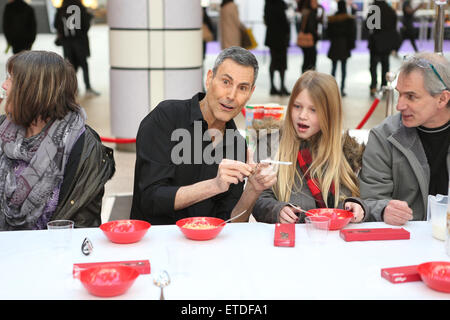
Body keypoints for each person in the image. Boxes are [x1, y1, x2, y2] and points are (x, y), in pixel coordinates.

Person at [130, 47, 277, 225]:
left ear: (250, 93)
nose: (231, 95)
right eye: (226, 82)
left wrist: (253, 189)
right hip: (157, 241)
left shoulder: (236, 144)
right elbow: (150, 199)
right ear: (209, 79)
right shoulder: (167, 117)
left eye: (242, 88)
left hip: (207, 247)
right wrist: (214, 186)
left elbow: (230, 223)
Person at [0, 51, 115, 231]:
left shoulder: (84, 146)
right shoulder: (2, 130)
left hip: (54, 253)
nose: (4, 85)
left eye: (12, 80)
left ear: (34, 92)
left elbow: (84, 226)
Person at [253, 70, 368, 224]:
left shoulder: (345, 152)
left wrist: (358, 206)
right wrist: (277, 210)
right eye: (297, 106)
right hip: (289, 240)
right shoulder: (270, 144)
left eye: (313, 110)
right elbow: (258, 197)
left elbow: (357, 198)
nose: (302, 115)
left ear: (330, 114)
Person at [359, 52, 450, 225]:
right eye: (398, 94)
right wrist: (384, 209)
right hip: (404, 242)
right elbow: (369, 200)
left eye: (411, 96)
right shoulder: (384, 137)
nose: (399, 106)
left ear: (442, 99)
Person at [54, 0, 99, 97]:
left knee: (70, 66)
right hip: (80, 42)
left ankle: (73, 89)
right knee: (84, 65)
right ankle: (88, 88)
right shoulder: (80, 7)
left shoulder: (61, 9)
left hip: (67, 43)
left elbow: (56, 25)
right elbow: (85, 25)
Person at [366, 0, 399, 97]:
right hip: (387, 42)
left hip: (376, 42)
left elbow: (368, 26)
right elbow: (394, 26)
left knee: (373, 65)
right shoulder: (390, 10)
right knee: (385, 64)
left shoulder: (374, 9)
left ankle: (373, 86)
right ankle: (384, 85)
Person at [326, 0, 356, 97]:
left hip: (335, 45)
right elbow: (351, 34)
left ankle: (332, 88)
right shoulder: (348, 19)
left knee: (333, 68)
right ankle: (342, 89)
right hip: (344, 46)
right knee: (343, 69)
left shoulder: (332, 19)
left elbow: (328, 33)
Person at [264, 0, 291, 96]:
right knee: (282, 63)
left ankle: (273, 87)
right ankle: (282, 87)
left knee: (273, 61)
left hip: (271, 37)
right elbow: (284, 21)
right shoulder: (280, 4)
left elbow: (266, 20)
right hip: (281, 37)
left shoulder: (267, 3)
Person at [296, 0, 322, 73]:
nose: (316, 3)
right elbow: (311, 28)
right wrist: (316, 36)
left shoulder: (305, 11)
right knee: (310, 61)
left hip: (306, 39)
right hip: (309, 40)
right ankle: (309, 80)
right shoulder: (311, 13)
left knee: (306, 60)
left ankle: (304, 78)